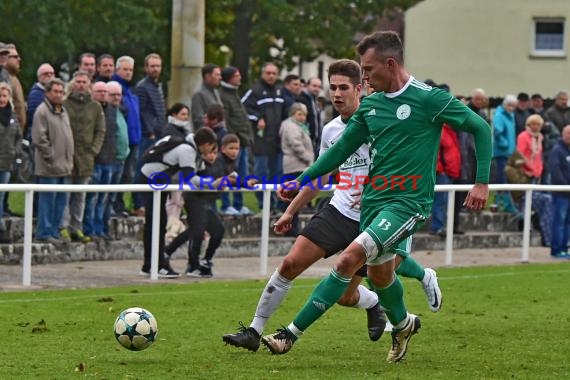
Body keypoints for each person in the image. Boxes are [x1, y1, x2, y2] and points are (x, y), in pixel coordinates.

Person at [261, 31, 492, 363]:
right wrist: (303, 179)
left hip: (409, 203)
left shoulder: (429, 99)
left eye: (368, 70)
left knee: (347, 259)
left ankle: (289, 335)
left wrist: (481, 183)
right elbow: (340, 150)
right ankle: (403, 324)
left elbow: (480, 128)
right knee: (382, 276)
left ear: (390, 63)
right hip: (374, 202)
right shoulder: (371, 105)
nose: (364, 78)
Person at [222, 59, 443, 354]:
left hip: (379, 212)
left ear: (360, 89)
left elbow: (404, 163)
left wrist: (376, 189)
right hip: (339, 210)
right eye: (332, 88)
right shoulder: (330, 130)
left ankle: (413, 284)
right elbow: (322, 174)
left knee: (361, 288)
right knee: (290, 263)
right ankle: (254, 330)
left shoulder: (381, 120)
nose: (336, 94)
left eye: (343, 88)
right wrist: (292, 209)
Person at [164, 134, 252, 277]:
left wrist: (244, 183)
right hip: (194, 200)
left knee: (215, 231)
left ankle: (201, 260)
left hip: (205, 203)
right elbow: (212, 179)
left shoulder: (229, 163)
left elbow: (230, 179)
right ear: (222, 149)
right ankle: (193, 266)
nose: (235, 151)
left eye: (237, 148)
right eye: (231, 148)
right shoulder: (214, 163)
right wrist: (225, 181)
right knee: (197, 233)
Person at [139, 127, 219, 278]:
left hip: (156, 181)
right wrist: (214, 184)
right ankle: (155, 265)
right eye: (211, 146)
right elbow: (189, 179)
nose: (211, 150)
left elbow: (200, 174)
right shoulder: (187, 151)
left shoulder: (191, 150)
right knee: (156, 223)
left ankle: (151, 264)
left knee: (157, 223)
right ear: (205, 144)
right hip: (151, 180)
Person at [32, 79, 74, 244]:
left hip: (64, 166)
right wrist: (51, 156)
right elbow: (39, 139)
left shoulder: (63, 111)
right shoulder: (42, 111)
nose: (58, 95)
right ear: (47, 93)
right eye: (55, 91)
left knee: (61, 202)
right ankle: (44, 232)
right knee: (47, 201)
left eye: (61, 92)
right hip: (49, 166)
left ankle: (54, 231)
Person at [277, 102, 314, 236]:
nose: (303, 117)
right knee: (294, 199)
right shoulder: (291, 126)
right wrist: (309, 160)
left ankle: (292, 228)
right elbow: (296, 145)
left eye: (304, 115)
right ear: (292, 114)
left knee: (295, 200)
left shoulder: (297, 126)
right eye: (299, 114)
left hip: (298, 165)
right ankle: (291, 229)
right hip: (295, 166)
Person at [0, 83, 21, 243]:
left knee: (1, 197)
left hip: (7, 163)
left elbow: (18, 137)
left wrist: (16, 153)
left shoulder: (13, 116)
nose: (2, 99)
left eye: (4, 96)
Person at [548, 125, 570, 259]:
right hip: (561, 193)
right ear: (563, 134)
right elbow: (555, 172)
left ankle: (564, 248)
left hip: (569, 194)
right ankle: (556, 249)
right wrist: (566, 186)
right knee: (559, 222)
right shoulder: (557, 150)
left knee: (568, 222)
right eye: (568, 133)